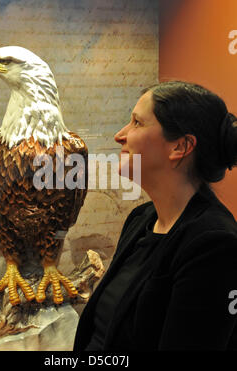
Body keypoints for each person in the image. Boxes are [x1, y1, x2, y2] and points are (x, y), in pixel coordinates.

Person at [73, 80, 237, 351]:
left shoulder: (215, 244)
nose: (120, 135)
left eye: (137, 123)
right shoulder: (141, 219)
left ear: (180, 148)